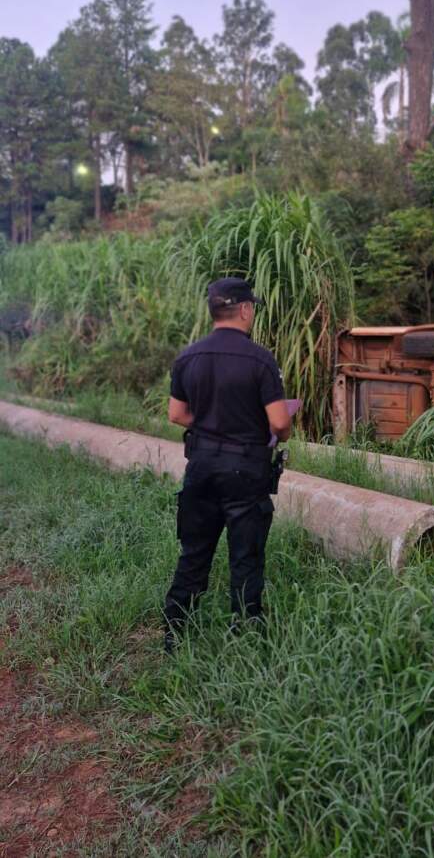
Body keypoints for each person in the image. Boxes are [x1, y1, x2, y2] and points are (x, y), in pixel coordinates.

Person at [162, 277, 292, 653]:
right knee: (246, 556)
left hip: (200, 466)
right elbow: (280, 423)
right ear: (246, 309)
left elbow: (176, 414)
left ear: (213, 310)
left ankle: (174, 636)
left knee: (194, 552)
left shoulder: (188, 357)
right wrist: (261, 431)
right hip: (246, 469)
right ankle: (248, 637)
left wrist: (210, 425)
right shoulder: (260, 359)